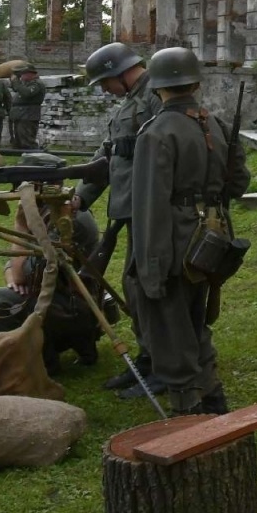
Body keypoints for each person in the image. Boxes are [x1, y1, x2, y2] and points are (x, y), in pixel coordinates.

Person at [130, 46, 250, 415]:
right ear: (195, 82)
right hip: (213, 236)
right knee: (197, 316)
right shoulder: (215, 123)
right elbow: (239, 182)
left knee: (168, 321)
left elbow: (149, 204)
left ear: (157, 87)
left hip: (173, 242)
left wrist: (150, 268)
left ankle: (188, 403)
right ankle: (211, 391)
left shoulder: (157, 132)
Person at [74, 41, 163, 397]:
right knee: (133, 286)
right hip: (129, 207)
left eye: (106, 82)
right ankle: (147, 358)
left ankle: (160, 364)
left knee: (148, 287)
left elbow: (168, 145)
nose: (107, 91)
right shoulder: (130, 103)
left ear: (121, 73)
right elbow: (107, 155)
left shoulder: (158, 96)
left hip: (151, 207)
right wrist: (81, 194)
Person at [0, 202, 105, 374]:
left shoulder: (66, 218)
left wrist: (21, 226)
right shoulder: (52, 211)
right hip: (66, 303)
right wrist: (13, 276)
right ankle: (72, 347)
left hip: (74, 311)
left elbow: (22, 272)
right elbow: (15, 267)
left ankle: (43, 363)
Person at [7, 63, 46, 151]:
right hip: (21, 115)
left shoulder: (36, 84)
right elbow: (17, 89)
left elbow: (26, 93)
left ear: (31, 74)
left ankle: (34, 157)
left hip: (28, 115)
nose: (21, 76)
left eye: (23, 73)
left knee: (27, 141)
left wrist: (16, 82)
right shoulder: (26, 83)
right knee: (19, 141)